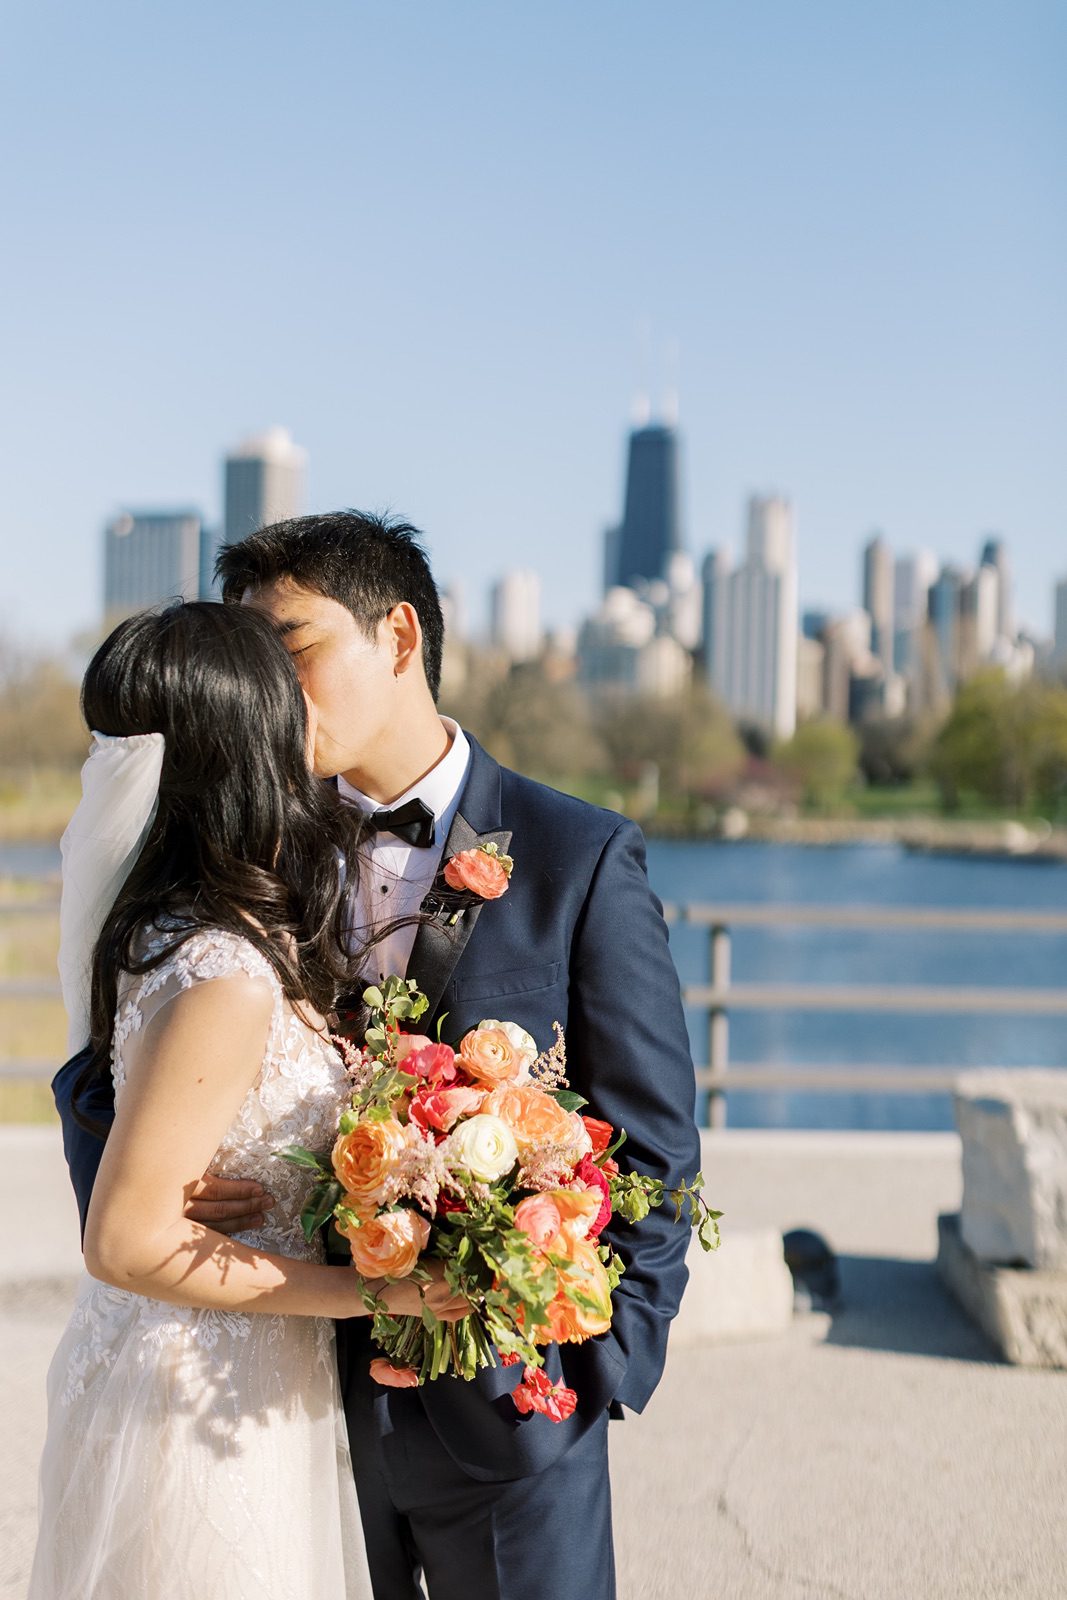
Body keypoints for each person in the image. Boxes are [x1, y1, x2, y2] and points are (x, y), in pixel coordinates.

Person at [55, 513, 702, 1600]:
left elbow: (654, 1147)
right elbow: (102, 1065)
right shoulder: (247, 848)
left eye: (293, 649)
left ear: (397, 635)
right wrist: (164, 1203)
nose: (272, 689)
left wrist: (588, 1368)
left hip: (500, 1425)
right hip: (276, 1399)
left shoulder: (572, 856)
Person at [34, 601, 466, 1600]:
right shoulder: (223, 968)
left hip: (215, 1375)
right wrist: (383, 1290)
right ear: (248, 747)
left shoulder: (178, 923)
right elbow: (127, 1243)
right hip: (199, 1407)